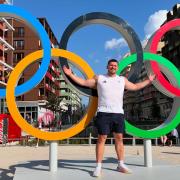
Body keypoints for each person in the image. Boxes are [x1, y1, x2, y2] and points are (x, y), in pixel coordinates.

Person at [63, 59, 155, 177]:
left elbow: (136, 86)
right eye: (111, 65)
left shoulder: (122, 80)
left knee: (119, 138)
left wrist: (149, 80)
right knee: (102, 138)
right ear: (107, 66)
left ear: (117, 68)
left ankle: (121, 164)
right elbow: (84, 83)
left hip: (118, 114)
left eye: (115, 65)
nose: (113, 67)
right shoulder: (100, 78)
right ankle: (98, 167)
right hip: (103, 113)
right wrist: (70, 74)